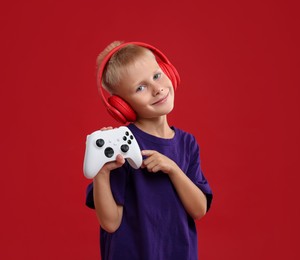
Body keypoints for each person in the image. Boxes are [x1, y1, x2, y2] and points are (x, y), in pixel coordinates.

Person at [85, 41, 213, 260]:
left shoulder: (187, 143)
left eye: (156, 75)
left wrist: (173, 169)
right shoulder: (120, 145)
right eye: (140, 88)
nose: (157, 89)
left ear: (168, 71)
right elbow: (110, 222)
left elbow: (199, 209)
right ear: (122, 106)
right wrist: (102, 170)